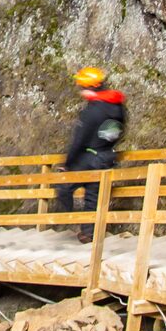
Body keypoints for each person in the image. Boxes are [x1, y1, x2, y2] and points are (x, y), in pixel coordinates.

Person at [54, 66, 126, 243]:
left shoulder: (93, 110)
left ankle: (68, 218)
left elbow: (80, 140)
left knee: (64, 187)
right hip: (105, 156)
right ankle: (88, 233)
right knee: (93, 196)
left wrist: (68, 164)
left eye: (81, 86)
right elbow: (119, 131)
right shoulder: (118, 108)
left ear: (88, 87)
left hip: (88, 157)